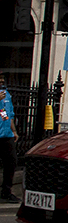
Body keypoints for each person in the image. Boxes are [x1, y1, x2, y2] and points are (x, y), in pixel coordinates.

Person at [0, 74, 19, 204]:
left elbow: (7, 113)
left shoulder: (6, 94)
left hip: (6, 135)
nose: (1, 80)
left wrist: (13, 130)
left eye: (2, 78)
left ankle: (6, 191)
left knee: (11, 162)